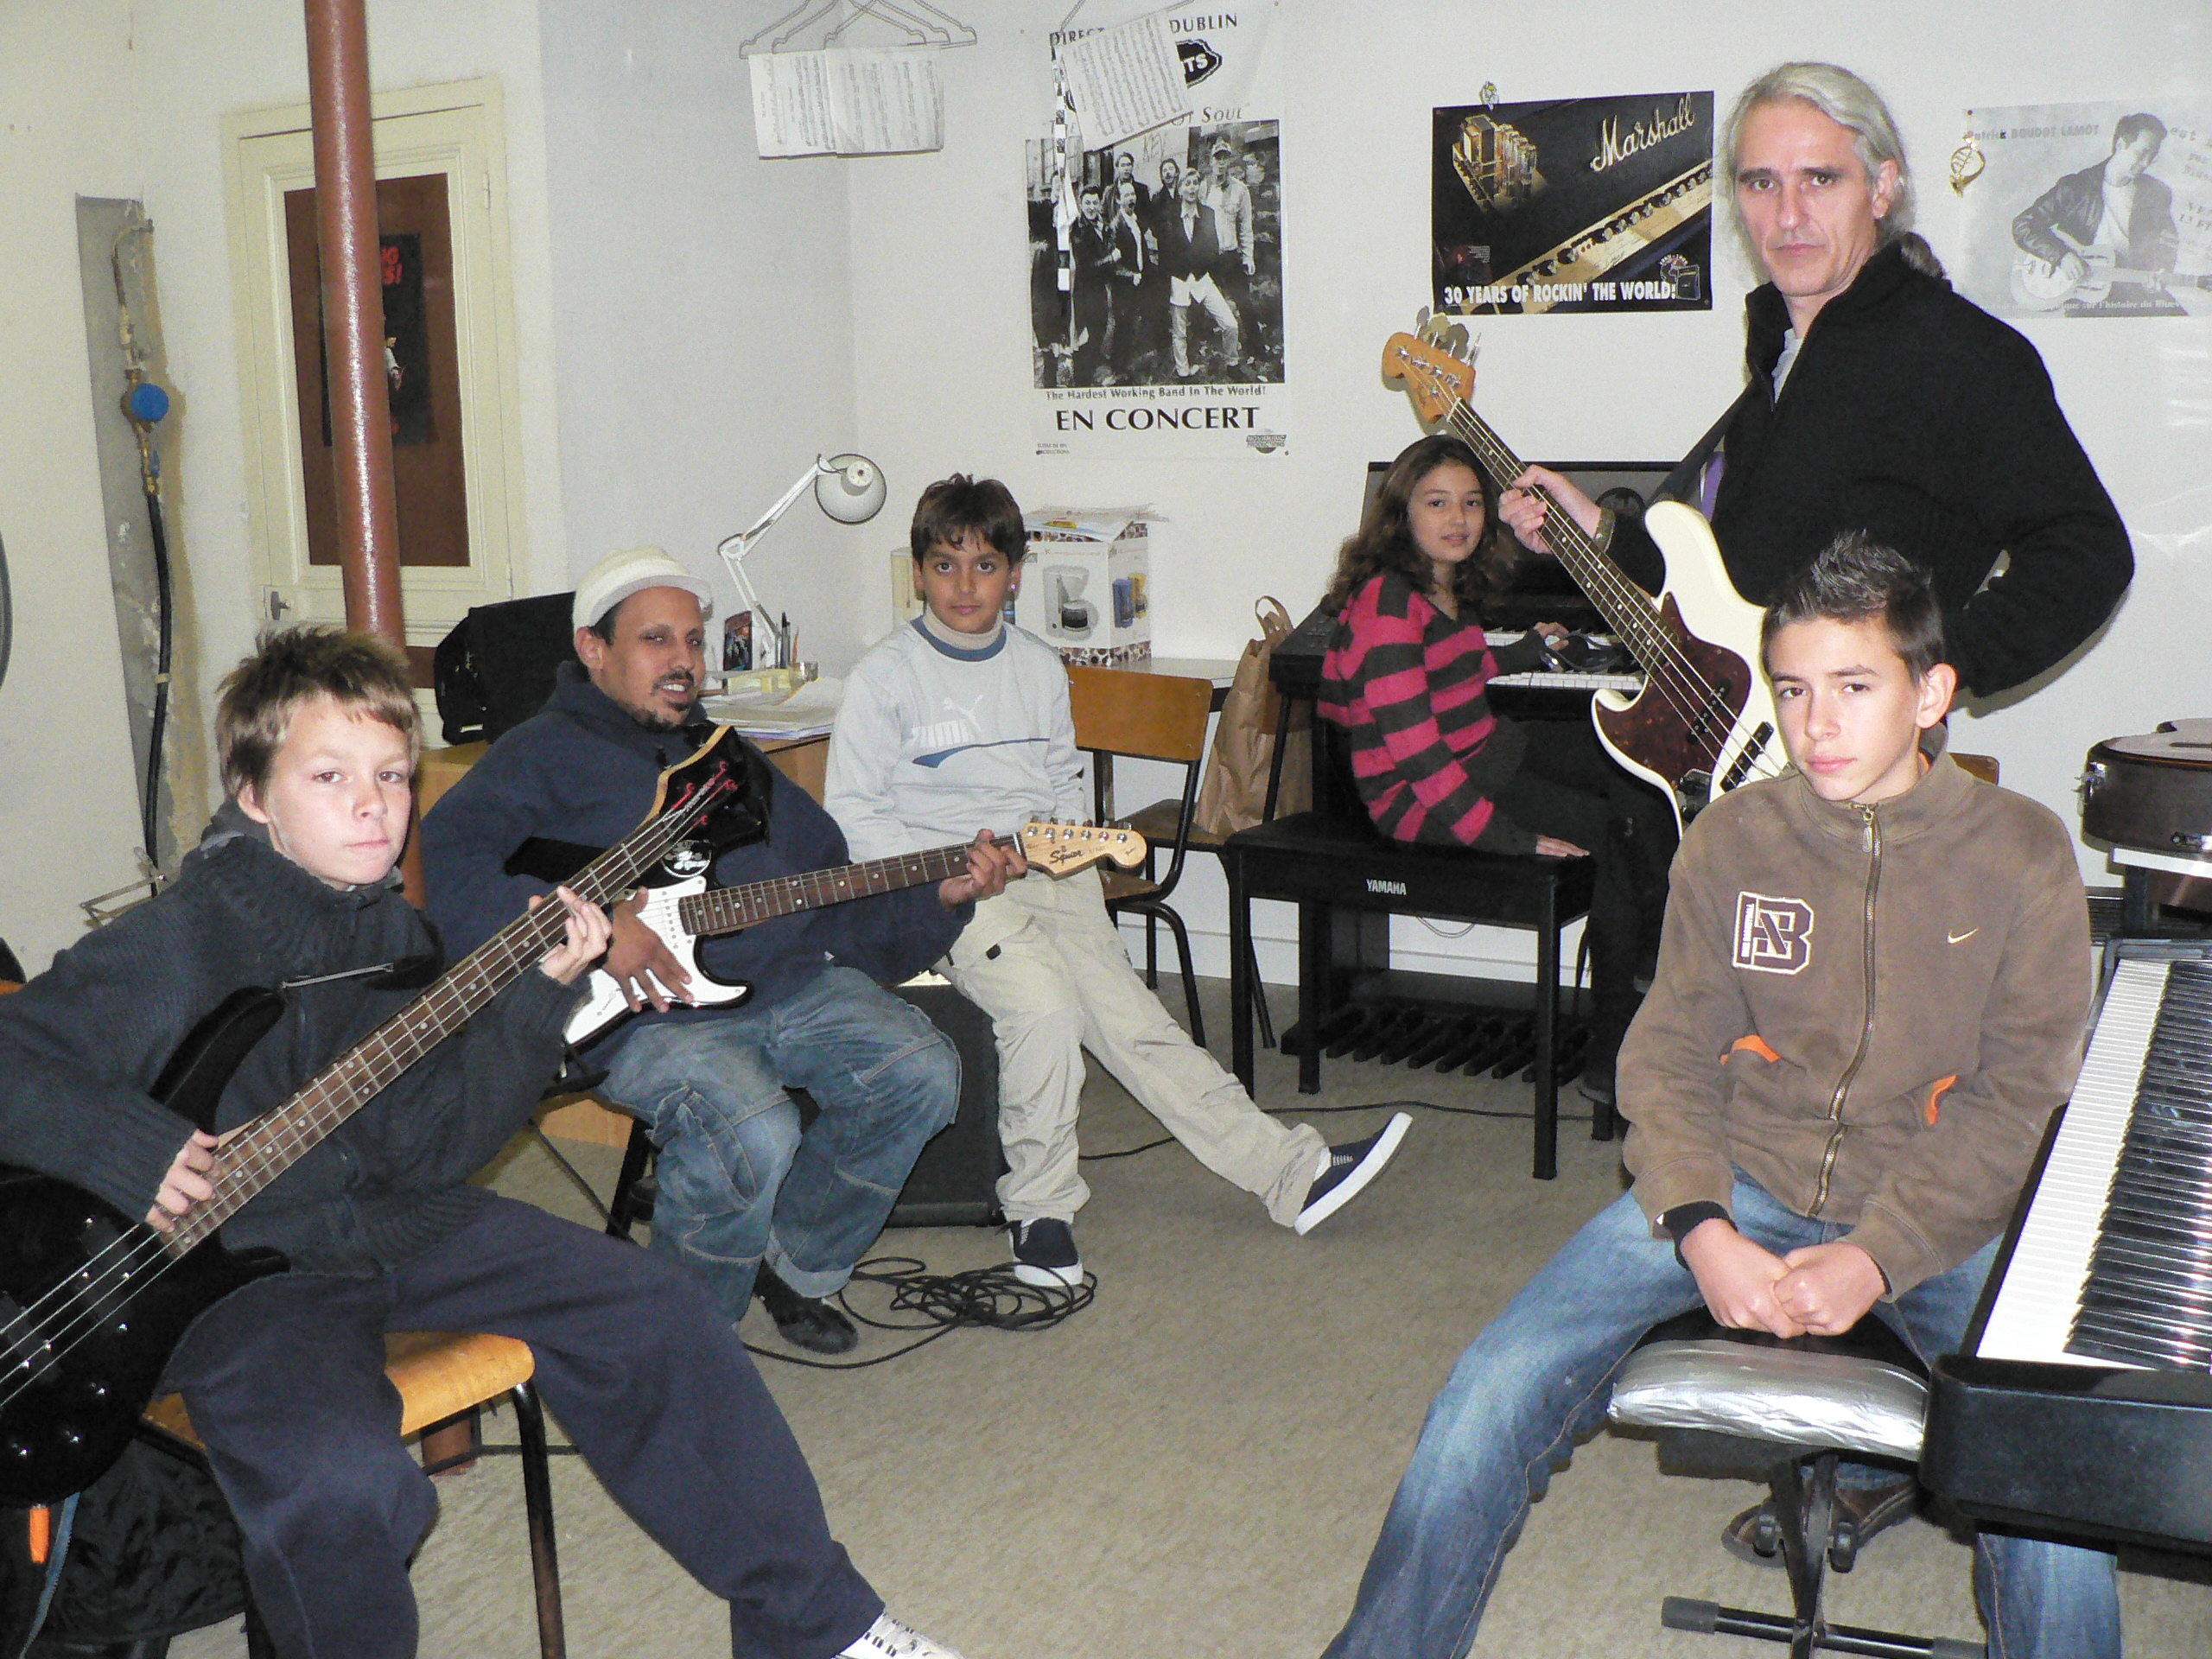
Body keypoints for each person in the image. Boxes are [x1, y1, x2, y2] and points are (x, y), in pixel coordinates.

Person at [0, 628, 976, 1659]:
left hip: (394, 1224)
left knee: (656, 1311)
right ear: (253, 794)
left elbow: (434, 1150)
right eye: (329, 776)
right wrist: (129, 1145)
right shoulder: (178, 941)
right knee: (342, 1485)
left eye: (390, 774)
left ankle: (817, 1630)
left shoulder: (398, 943)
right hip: (233, 1282)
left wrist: (539, 1001)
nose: (373, 805)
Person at [1318, 534, 2120, 1659]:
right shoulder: (1734, 837)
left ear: (1932, 693)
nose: (1814, 725)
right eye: (1791, 691)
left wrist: (1877, 1255)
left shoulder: (2022, 854)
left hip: (1942, 1215)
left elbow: (2021, 1100)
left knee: (2057, 1467)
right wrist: (1700, 1226)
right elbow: (1669, 1052)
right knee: (1487, 1390)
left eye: (1853, 688)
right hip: (1739, 1184)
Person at [423, 547, 1018, 1355]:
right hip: (642, 1017)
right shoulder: (536, 753)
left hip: (785, 985)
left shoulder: (731, 759)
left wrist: (937, 896)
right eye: (656, 640)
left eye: (694, 641)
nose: (685, 662)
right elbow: (445, 869)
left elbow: (828, 891)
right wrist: (591, 925)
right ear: (593, 649)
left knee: (921, 1072)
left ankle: (794, 1264)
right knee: (752, 1131)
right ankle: (687, 1344)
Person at [824, 474, 1412, 1288]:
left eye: (985, 566)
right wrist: (952, 870)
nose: (965, 586)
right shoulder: (885, 676)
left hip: (1043, 874)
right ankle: (1040, 1211)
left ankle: (1289, 1175)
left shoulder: (1038, 666)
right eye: (945, 566)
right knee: (1045, 1010)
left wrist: (1068, 857)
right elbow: (852, 817)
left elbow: (1062, 784)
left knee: (1138, 1026)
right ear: (919, 574)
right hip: (947, 893)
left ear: (1015, 576)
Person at [1499, 61, 2133, 702]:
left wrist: (1933, 666)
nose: (1788, 215)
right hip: (1752, 746)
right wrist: (1598, 529)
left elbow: (2088, 554)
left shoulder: (1963, 354)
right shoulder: (1777, 359)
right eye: (1761, 183)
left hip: (1862, 757)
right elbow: (1734, 589)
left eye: (1819, 179)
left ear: (1881, 189)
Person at [1319, 435, 1675, 1103]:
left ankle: (1653, 953)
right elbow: (1421, 758)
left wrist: (1525, 651)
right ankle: (1613, 1054)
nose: (1458, 519)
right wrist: (1510, 838)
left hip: (1484, 753)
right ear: (1400, 514)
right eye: (1437, 503)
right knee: (1618, 832)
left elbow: (1452, 667)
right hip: (1429, 797)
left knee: (1638, 768)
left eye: (1472, 503)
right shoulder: (1387, 605)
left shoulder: (1436, 584)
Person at [2012, 113, 2177, 310]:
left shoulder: (2157, 193)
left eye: (2152, 156)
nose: (2146, 163)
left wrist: (2160, 271)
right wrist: (2062, 256)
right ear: (2121, 144)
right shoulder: (2076, 187)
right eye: (2142, 153)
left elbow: (2167, 243)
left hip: (2133, 287)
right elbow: (2024, 225)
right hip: (2085, 292)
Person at [1158, 167, 1242, 379]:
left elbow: (1212, 248)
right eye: (1187, 184)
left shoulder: (1208, 214)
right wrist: (1175, 280)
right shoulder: (1169, 216)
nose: (1192, 188)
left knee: (1230, 323)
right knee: (1180, 331)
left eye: (1195, 183)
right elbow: (1165, 253)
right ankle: (1183, 371)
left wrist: (1210, 277)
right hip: (1179, 279)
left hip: (1202, 278)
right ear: (1180, 189)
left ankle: (1232, 363)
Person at [1067, 182, 1120, 385]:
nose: (1091, 207)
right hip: (1084, 293)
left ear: (1100, 204)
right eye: (1087, 203)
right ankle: (1081, 382)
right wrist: (1111, 258)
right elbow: (1087, 267)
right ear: (1081, 204)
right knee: (1085, 338)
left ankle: (1089, 376)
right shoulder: (1078, 230)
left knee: (1099, 332)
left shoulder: (1102, 225)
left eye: (1095, 203)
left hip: (1100, 291)